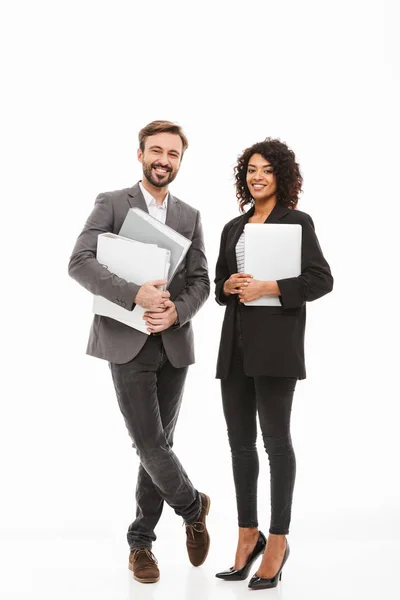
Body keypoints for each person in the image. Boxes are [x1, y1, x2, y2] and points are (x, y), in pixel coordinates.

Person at [68, 120, 210, 584]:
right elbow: (80, 262)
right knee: (148, 443)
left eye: (173, 154)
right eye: (156, 151)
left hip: (172, 344)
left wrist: (176, 314)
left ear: (180, 161)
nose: (163, 160)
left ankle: (140, 544)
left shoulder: (189, 214)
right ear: (140, 154)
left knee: (158, 448)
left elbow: (200, 282)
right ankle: (192, 506)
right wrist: (135, 294)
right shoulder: (112, 203)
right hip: (127, 341)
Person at [214, 138, 333, 590]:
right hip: (235, 348)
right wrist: (228, 285)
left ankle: (278, 541)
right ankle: (248, 535)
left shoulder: (296, 222)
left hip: (277, 349)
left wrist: (271, 287)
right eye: (250, 169)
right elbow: (220, 288)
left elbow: (321, 279)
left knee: (276, 444)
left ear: (281, 175)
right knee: (240, 446)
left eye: (266, 169)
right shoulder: (233, 227)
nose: (257, 176)